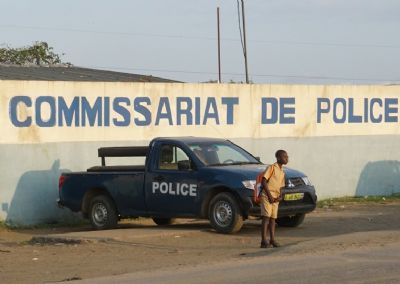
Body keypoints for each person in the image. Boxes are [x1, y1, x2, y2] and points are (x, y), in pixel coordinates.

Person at [260, 150, 288, 248]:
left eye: (287, 156)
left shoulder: (282, 171)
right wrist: (269, 196)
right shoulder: (272, 167)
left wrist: (280, 196)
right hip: (267, 196)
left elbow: (281, 186)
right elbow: (263, 181)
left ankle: (272, 240)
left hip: (276, 198)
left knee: (273, 219)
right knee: (266, 218)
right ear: (278, 158)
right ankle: (263, 241)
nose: (287, 158)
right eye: (284, 156)